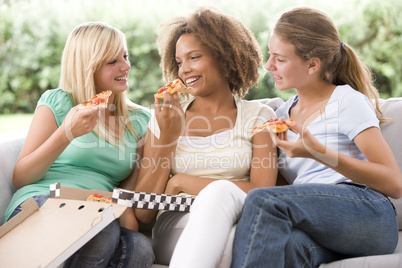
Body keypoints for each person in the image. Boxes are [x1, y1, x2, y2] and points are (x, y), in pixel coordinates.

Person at [231, 7, 402, 268]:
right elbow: (285, 189)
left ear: (312, 64)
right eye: (269, 55)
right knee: (290, 247)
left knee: (263, 200)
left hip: (368, 212)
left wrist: (317, 152)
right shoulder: (280, 115)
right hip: (320, 222)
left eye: (280, 58)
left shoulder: (346, 101)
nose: (268, 66)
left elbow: (393, 183)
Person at [133, 7, 278, 268]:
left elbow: (262, 193)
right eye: (179, 62)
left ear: (225, 57)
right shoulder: (165, 117)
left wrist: (180, 181)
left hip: (240, 218)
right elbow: (144, 212)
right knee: (235, 245)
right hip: (179, 223)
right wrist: (167, 137)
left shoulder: (259, 116)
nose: (184, 70)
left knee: (235, 239)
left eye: (194, 57)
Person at [3, 22, 154, 267]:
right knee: (99, 227)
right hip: (44, 200)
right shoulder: (59, 102)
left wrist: (124, 210)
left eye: (125, 56)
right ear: (88, 66)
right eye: (112, 61)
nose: (126, 66)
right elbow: (21, 177)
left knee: (140, 247)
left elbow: (128, 188)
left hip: (102, 209)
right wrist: (66, 134)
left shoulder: (139, 120)